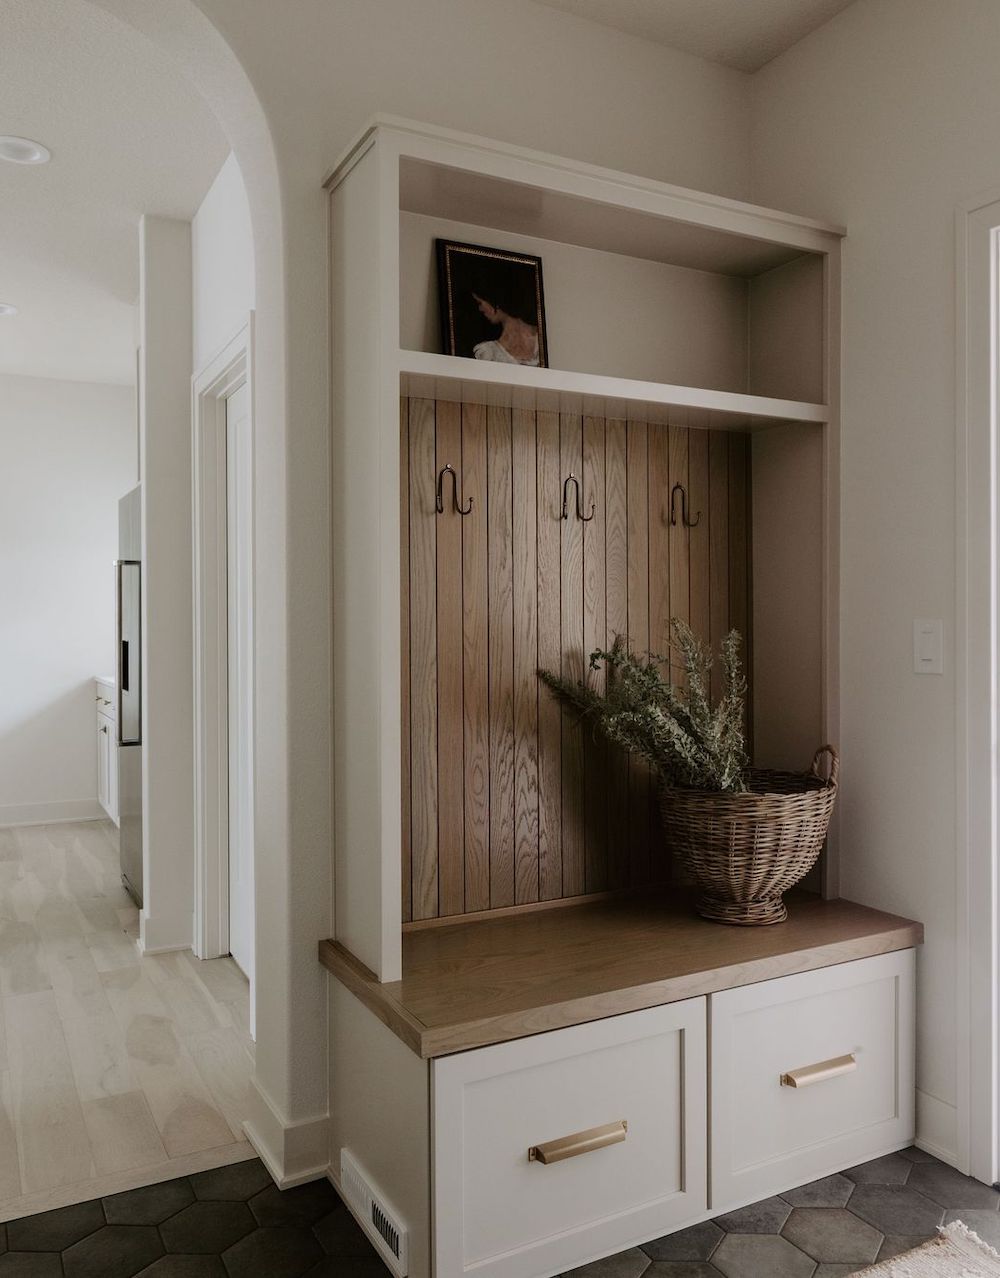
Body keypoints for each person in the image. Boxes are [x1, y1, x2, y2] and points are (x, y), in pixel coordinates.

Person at [471, 291, 540, 366]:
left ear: (493, 299)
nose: (480, 309)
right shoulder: (488, 352)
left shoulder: (542, 337)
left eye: (480, 303)